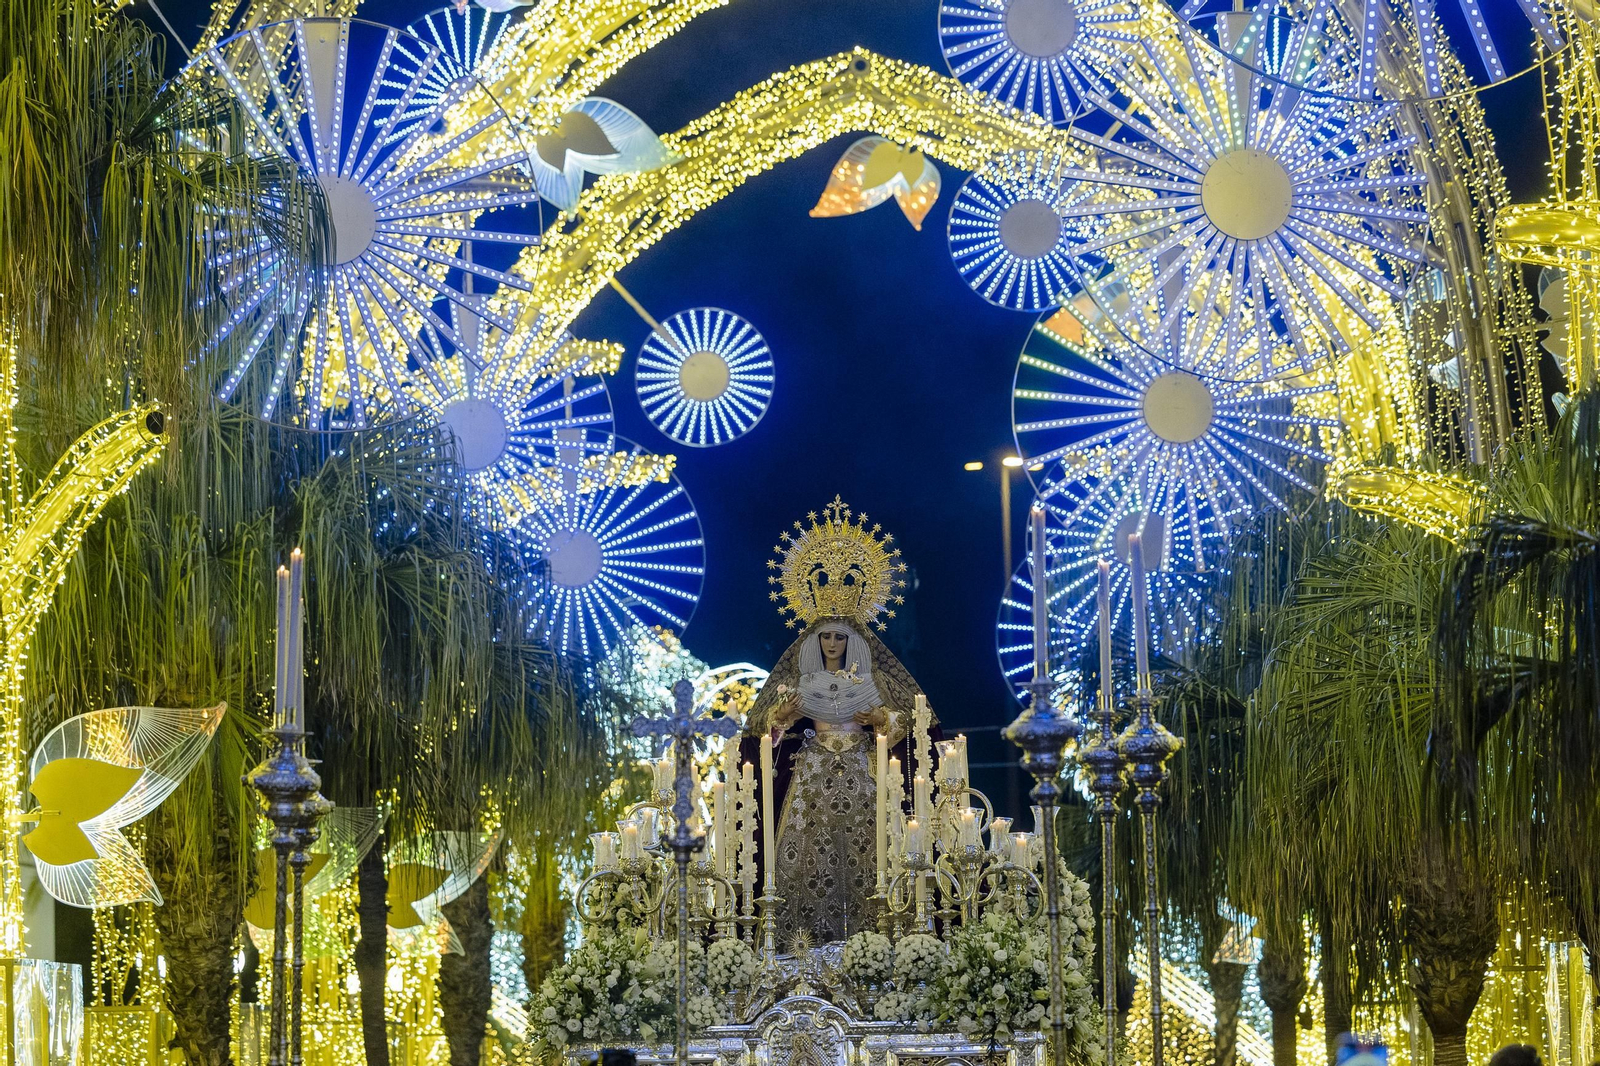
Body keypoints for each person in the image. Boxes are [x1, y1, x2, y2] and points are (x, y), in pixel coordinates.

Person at [742, 618, 932, 946]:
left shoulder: (874, 681)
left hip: (862, 771)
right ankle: (802, 946)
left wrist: (879, 719)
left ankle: (875, 941)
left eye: (839, 638)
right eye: (826, 637)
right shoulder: (801, 682)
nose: (831, 644)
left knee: (873, 851)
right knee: (808, 855)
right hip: (813, 772)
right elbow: (765, 729)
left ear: (851, 641)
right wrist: (783, 716)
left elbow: (913, 720)